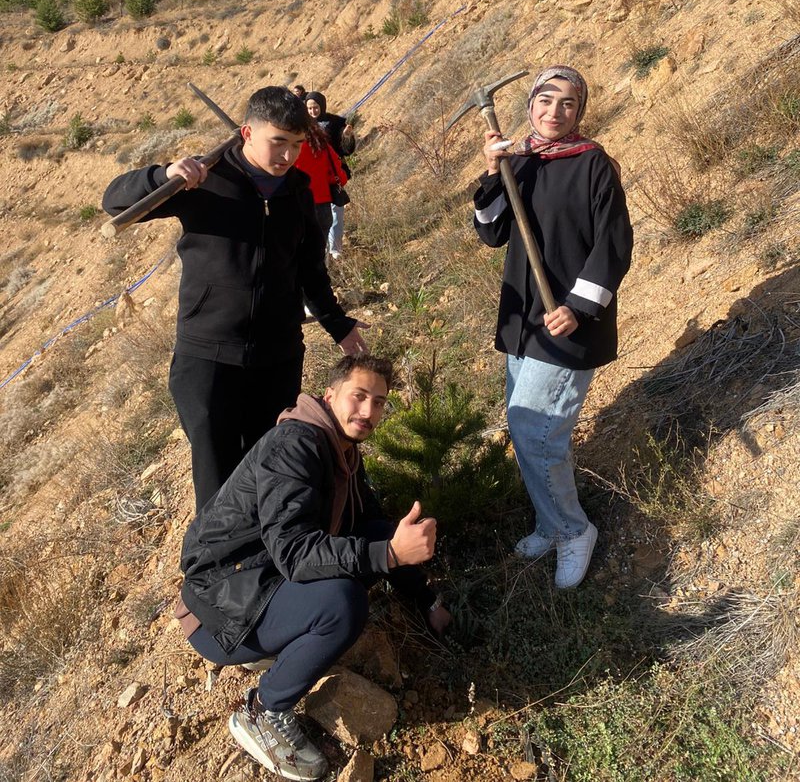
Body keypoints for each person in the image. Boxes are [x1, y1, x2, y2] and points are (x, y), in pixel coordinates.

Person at [176, 353, 451, 780]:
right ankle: (262, 711)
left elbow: (372, 527)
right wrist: (390, 555)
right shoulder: (295, 446)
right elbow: (294, 553)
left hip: (260, 581)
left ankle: (284, 641)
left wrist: (426, 597)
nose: (368, 411)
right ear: (330, 395)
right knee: (342, 603)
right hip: (221, 612)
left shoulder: (342, 449)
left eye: (379, 402)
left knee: (375, 535)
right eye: (359, 396)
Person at [102, 87, 368, 510]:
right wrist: (164, 175)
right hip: (207, 357)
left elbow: (310, 271)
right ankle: (212, 552)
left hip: (277, 356)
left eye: (297, 144)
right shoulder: (205, 180)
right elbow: (114, 200)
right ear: (247, 133)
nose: (288, 155)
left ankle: (268, 547)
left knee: (271, 471)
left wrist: (339, 325)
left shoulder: (298, 190)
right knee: (216, 479)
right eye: (278, 142)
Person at [473, 66, 632, 589]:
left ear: (579, 110)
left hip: (568, 325)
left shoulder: (593, 164)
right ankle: (550, 522)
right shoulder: (519, 160)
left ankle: (573, 530)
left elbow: (614, 246)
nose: (555, 111)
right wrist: (493, 173)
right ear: (530, 105)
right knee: (527, 428)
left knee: (537, 432)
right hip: (524, 321)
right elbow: (491, 233)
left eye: (568, 103)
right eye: (546, 99)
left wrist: (578, 308)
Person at [304, 91, 355, 260]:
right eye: (309, 108)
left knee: (336, 212)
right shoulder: (302, 126)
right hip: (314, 177)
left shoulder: (335, 122)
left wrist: (347, 137)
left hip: (333, 175)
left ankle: (335, 249)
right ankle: (322, 251)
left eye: (315, 107)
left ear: (322, 106)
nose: (313, 111)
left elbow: (346, 150)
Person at [293, 103, 349, 246]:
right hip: (322, 206)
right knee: (319, 250)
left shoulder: (288, 148)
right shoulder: (321, 143)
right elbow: (337, 172)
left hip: (297, 205)